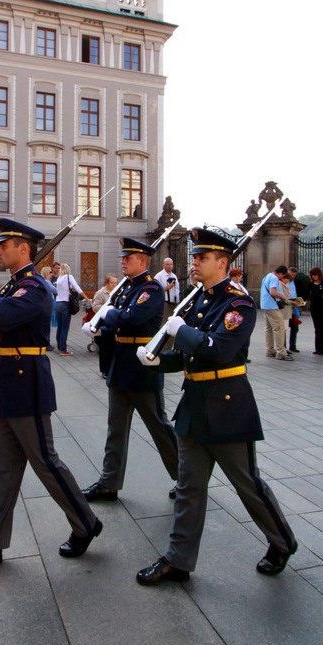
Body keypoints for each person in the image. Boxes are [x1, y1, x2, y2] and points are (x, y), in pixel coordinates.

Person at [135, 227, 297, 586]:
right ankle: (178, 559)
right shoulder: (199, 300)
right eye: (194, 257)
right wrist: (157, 363)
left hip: (227, 406)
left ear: (223, 262)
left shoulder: (238, 304)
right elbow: (188, 357)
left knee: (247, 485)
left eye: (202, 257)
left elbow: (215, 350)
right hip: (194, 406)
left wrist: (180, 331)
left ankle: (282, 541)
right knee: (189, 487)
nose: (194, 263)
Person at [0, 219, 102, 570]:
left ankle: (86, 523)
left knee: (46, 462)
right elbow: (11, 334)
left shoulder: (33, 287)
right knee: (3, 470)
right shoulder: (18, 285)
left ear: (24, 249)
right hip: (8, 386)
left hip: (28, 385)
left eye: (5, 244)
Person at [82, 237, 179, 503]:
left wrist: (108, 314)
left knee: (159, 427)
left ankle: (186, 478)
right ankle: (109, 482)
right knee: (116, 429)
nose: (123, 261)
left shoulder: (152, 289)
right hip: (121, 364)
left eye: (129, 258)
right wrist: (102, 322)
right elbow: (118, 317)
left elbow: (130, 317)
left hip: (141, 368)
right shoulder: (127, 288)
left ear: (143, 261)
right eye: (123, 258)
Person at [260, 265, 294, 361]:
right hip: (272, 306)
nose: (282, 278)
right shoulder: (275, 278)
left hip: (264, 304)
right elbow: (273, 292)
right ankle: (281, 352)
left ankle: (269, 350)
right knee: (279, 328)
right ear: (282, 273)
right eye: (283, 276)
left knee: (268, 328)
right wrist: (282, 296)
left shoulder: (267, 276)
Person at [55, 264, 90, 355]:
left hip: (57, 303)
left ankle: (59, 346)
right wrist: (87, 298)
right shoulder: (69, 277)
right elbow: (78, 288)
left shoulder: (59, 278)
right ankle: (63, 349)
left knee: (60, 326)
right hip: (65, 304)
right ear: (68, 269)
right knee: (65, 327)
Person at [91, 273, 119, 378]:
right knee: (105, 348)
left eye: (116, 283)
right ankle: (105, 370)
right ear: (107, 282)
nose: (114, 285)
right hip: (104, 323)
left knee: (113, 347)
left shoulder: (118, 292)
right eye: (112, 283)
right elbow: (95, 307)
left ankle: (113, 369)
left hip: (114, 323)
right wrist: (107, 308)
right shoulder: (100, 293)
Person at [229, 268, 251, 362]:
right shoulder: (231, 286)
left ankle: (244, 355)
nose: (238, 278)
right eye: (236, 276)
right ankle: (238, 355)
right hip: (237, 313)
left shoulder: (240, 286)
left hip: (245, 313)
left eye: (239, 276)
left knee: (246, 336)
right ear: (232, 277)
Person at [154, 257, 180, 324]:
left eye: (171, 264)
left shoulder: (174, 276)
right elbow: (155, 290)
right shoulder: (159, 276)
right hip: (165, 304)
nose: (169, 266)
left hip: (175, 304)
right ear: (163, 265)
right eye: (167, 264)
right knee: (164, 323)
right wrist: (168, 287)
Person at [40, 265, 57, 351]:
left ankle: (44, 342)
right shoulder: (47, 282)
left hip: (44, 304)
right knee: (47, 325)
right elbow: (55, 290)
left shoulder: (42, 281)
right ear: (47, 273)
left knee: (45, 325)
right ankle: (46, 343)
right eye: (50, 272)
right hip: (48, 305)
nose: (52, 273)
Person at [287, 268, 302, 353]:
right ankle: (284, 346)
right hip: (287, 305)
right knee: (284, 327)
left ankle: (293, 345)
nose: (293, 276)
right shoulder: (283, 281)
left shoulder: (297, 282)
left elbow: (301, 291)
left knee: (295, 327)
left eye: (294, 275)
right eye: (291, 274)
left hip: (295, 306)